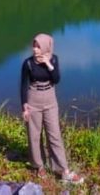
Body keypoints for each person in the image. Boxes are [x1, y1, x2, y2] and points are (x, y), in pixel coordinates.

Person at [21, 33, 83, 185]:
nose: (35, 49)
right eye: (34, 46)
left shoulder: (54, 59)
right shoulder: (28, 63)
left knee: (54, 135)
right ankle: (39, 165)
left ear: (46, 46)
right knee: (34, 135)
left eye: (39, 46)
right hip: (33, 99)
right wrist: (25, 106)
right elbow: (23, 85)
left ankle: (63, 170)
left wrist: (48, 64)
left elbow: (56, 79)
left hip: (50, 99)